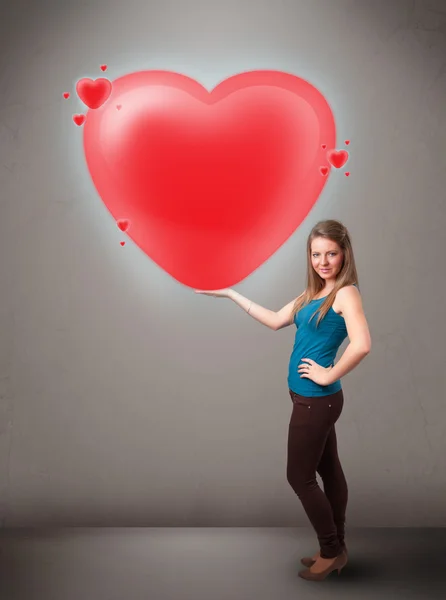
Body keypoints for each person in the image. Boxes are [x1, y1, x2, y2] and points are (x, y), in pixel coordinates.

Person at [195, 219, 371, 581]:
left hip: (316, 399)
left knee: (299, 477)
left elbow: (362, 344)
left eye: (331, 254)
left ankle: (330, 550)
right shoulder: (314, 293)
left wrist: (328, 373)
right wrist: (231, 293)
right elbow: (276, 320)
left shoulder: (346, 293)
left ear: (344, 254)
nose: (323, 261)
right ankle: (337, 547)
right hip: (310, 400)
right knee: (329, 471)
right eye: (316, 254)